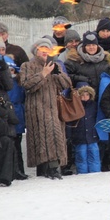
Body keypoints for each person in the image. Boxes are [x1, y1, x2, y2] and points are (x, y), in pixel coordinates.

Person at [19, 38, 72, 179]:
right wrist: (43, 74)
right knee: (41, 137)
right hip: (36, 107)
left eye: (47, 49)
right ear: (36, 51)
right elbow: (26, 84)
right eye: (42, 48)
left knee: (54, 135)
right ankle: (44, 169)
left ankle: (54, 168)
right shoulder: (27, 65)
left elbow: (66, 84)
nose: (44, 51)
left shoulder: (55, 65)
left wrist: (57, 74)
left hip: (54, 107)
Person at [71, 85, 101, 174]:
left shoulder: (94, 106)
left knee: (94, 155)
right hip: (79, 136)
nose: (85, 97)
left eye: (87, 95)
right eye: (82, 95)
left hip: (93, 135)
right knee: (81, 156)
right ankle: (82, 174)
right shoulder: (75, 106)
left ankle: (95, 173)